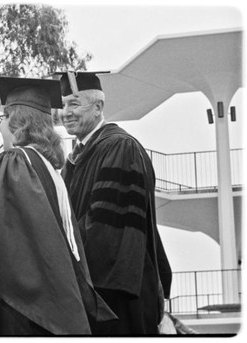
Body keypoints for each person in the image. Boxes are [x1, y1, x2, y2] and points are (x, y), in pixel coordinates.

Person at [0, 76, 116, 335]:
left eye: (2, 118)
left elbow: (13, 239)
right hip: (58, 308)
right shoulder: (50, 169)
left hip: (29, 313)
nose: (0, 127)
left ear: (15, 120)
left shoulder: (14, 160)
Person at [56, 71, 173, 335]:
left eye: (74, 103)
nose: (65, 112)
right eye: (63, 105)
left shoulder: (120, 148)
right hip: (94, 294)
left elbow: (107, 233)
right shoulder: (77, 157)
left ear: (98, 107)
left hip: (116, 299)